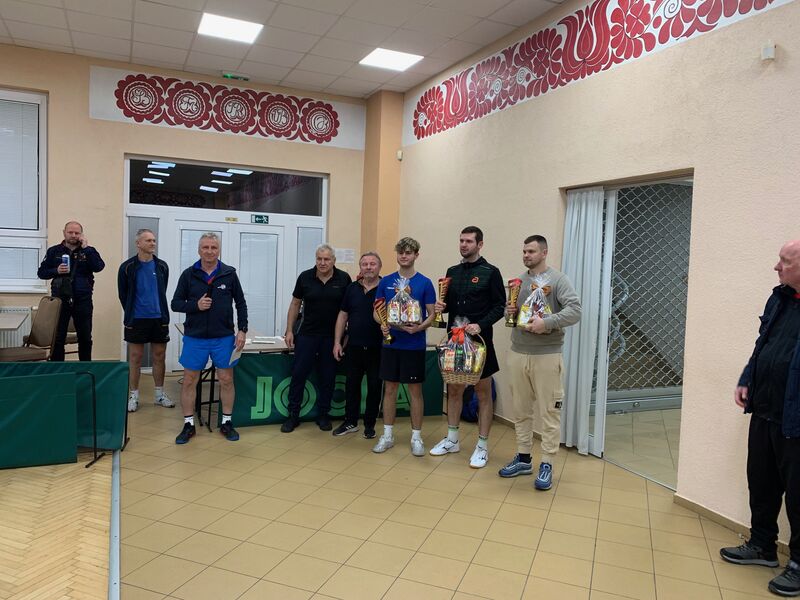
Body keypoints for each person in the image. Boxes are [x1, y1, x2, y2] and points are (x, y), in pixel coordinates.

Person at [720, 240, 800, 597]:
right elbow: (762, 344)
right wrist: (747, 378)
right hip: (766, 408)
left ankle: (798, 564)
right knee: (762, 481)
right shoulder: (779, 298)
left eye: (785, 261)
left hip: (795, 417)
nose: (777, 266)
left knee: (798, 494)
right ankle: (763, 546)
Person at [499, 235, 581, 490]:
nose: (526, 255)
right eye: (524, 251)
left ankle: (547, 463)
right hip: (518, 353)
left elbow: (575, 311)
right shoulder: (518, 282)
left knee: (549, 411)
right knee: (520, 410)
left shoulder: (558, 280)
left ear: (544, 253)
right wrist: (508, 312)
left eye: (531, 251)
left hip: (547, 355)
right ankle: (523, 457)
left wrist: (547, 322)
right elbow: (511, 313)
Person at [429, 226, 505, 468]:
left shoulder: (491, 272)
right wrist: (441, 308)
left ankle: (482, 447)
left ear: (479, 244)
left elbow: (500, 306)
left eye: (469, 241)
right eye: (461, 240)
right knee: (454, 389)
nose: (464, 245)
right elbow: (450, 305)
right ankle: (452, 440)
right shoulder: (452, 272)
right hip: (455, 342)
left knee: (483, 393)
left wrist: (480, 324)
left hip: (480, 343)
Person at [170, 233, 247, 444]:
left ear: (218, 250)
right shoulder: (188, 274)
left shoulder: (229, 274)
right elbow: (175, 304)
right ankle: (188, 425)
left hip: (223, 337)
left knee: (226, 379)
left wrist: (242, 330)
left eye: (214, 247)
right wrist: (195, 305)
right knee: (189, 380)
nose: (210, 251)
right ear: (199, 250)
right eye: (206, 247)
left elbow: (241, 303)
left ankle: (227, 422)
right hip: (195, 338)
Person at [372, 237, 436, 456]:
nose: (404, 256)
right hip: (391, 343)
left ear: (416, 255)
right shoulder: (386, 282)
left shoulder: (424, 283)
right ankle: (387, 435)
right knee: (390, 389)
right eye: (401, 252)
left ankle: (416, 437)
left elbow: (432, 314)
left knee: (415, 391)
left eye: (408, 252)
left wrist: (418, 328)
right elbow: (377, 312)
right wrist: (384, 323)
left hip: (414, 344)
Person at [282, 244, 352, 433]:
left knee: (327, 377)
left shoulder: (344, 279)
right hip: (306, 335)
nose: (322, 262)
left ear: (333, 260)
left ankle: (323, 415)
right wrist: (289, 330)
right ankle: (293, 416)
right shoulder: (305, 277)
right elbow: (295, 304)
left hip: (332, 338)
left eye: (326, 259)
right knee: (298, 375)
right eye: (319, 259)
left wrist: (346, 336)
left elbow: (348, 310)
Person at [118, 229, 174, 412]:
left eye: (154, 240)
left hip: (159, 319)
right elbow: (123, 294)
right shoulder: (127, 267)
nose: (152, 243)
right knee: (135, 358)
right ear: (138, 243)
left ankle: (159, 395)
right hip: (136, 319)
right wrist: (131, 312)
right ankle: (134, 396)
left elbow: (162, 290)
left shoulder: (162, 266)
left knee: (159, 356)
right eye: (148, 240)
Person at [37, 221, 105, 361]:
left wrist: (86, 248)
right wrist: (56, 270)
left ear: (81, 234)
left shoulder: (89, 251)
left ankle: (85, 368)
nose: (73, 235)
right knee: (58, 337)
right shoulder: (54, 251)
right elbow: (41, 273)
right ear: (64, 233)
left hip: (83, 299)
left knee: (85, 337)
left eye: (77, 233)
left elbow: (99, 267)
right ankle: (59, 370)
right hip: (60, 300)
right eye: (70, 232)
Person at [332, 252, 383, 438]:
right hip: (354, 347)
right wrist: (337, 342)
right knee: (352, 386)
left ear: (379, 267)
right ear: (360, 267)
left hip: (378, 348)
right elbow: (343, 315)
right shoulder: (352, 288)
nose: (368, 267)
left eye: (372, 264)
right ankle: (350, 422)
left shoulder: (387, 288)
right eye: (365, 264)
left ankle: (370, 425)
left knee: (374, 387)